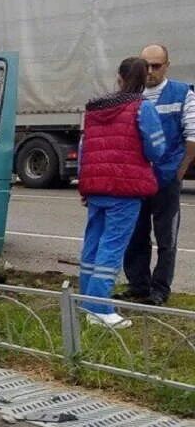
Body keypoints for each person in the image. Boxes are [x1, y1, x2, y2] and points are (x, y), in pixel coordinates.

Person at [78, 57, 166, 328]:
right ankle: (100, 309)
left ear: (119, 76)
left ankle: (85, 300)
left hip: (96, 187)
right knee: (112, 246)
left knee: (93, 243)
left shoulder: (94, 109)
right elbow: (156, 149)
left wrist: (85, 183)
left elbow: (84, 150)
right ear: (143, 79)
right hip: (125, 189)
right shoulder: (142, 108)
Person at [119, 44, 195, 305]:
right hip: (135, 181)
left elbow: (192, 134)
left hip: (165, 180)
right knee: (135, 234)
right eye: (146, 65)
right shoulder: (131, 95)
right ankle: (138, 285)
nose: (150, 71)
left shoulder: (182, 93)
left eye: (156, 65)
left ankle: (160, 289)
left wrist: (180, 169)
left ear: (167, 65)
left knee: (166, 238)